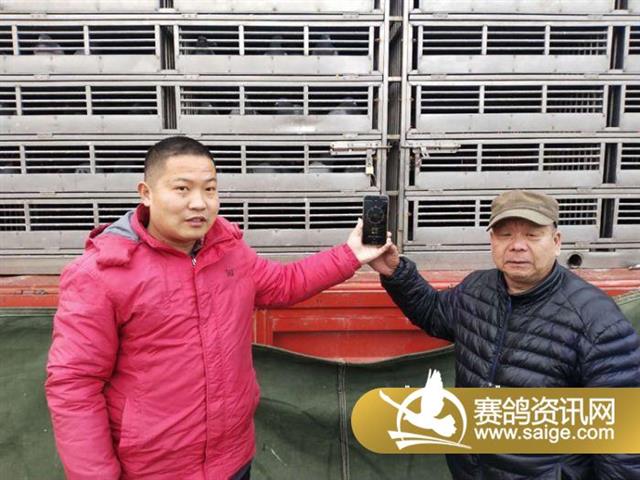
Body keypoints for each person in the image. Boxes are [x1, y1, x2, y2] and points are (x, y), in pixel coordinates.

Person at [45, 136, 390, 480]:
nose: (199, 203)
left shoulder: (229, 251)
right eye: (182, 189)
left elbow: (284, 283)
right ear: (146, 193)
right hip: (154, 471)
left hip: (233, 461)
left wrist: (351, 254)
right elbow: (74, 386)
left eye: (209, 189)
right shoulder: (100, 274)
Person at [369, 190, 640, 479]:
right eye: (505, 235)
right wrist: (395, 271)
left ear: (556, 242)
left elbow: (621, 445)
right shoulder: (477, 288)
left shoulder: (597, 321)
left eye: (532, 235)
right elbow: (435, 313)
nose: (517, 246)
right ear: (492, 241)